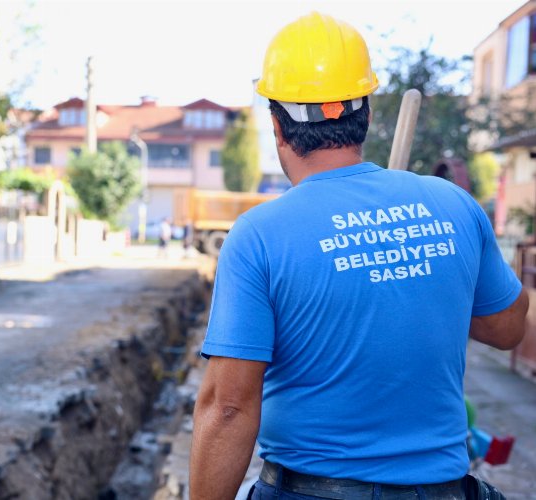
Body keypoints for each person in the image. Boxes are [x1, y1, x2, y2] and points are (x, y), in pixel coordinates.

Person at [189, 12, 528, 500]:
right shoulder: (453, 205)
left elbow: (228, 409)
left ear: (277, 126)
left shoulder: (260, 235)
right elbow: (508, 327)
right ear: (365, 114)